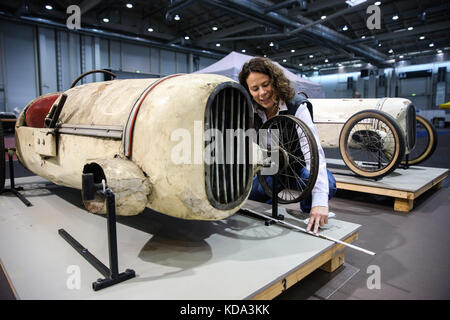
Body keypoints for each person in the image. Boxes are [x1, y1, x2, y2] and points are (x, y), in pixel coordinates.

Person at [238, 57, 336, 234]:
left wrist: (319, 202)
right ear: (248, 91)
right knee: (251, 192)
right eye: (254, 88)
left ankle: (309, 213)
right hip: (271, 168)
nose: (262, 93)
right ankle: (271, 210)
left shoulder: (296, 106)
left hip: (297, 168)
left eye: (266, 84)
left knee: (327, 183)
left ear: (275, 81)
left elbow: (314, 154)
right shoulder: (252, 111)